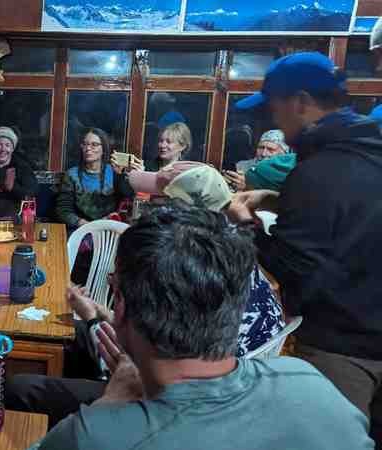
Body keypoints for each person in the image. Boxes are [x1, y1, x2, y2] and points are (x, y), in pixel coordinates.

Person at [36, 202, 374, 450]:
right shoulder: (312, 387)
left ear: (120, 306)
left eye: (114, 285)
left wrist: (110, 404)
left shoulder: (94, 436)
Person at [7, 163, 285, 427]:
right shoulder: (231, 253)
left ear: (182, 213)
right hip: (217, 383)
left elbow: (139, 366)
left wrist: (95, 319)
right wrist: (101, 314)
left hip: (178, 404)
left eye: (159, 202)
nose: (149, 208)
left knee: (20, 388)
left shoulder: (182, 271)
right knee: (71, 335)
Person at [229, 51, 382, 446]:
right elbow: (354, 213)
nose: (271, 120)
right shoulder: (368, 146)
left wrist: (245, 223)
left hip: (342, 346)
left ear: (298, 101)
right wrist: (277, 198)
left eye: (273, 109)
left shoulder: (317, 169)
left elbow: (290, 264)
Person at [55, 128, 136, 229]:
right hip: (81, 229)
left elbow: (128, 199)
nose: (88, 148)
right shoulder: (72, 175)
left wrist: (120, 176)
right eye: (85, 144)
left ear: (103, 149)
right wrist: (85, 224)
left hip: (110, 228)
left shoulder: (114, 172)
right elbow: (63, 210)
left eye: (94, 144)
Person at [223, 129, 290, 191]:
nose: (263, 154)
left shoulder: (288, 173)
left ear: (283, 153)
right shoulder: (242, 166)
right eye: (261, 148)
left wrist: (247, 186)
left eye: (270, 149)